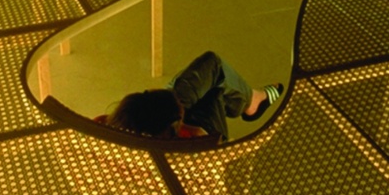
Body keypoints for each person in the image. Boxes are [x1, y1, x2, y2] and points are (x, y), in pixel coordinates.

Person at [98, 51, 284, 141]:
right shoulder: (191, 144)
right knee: (214, 81)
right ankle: (252, 101)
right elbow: (215, 145)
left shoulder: (102, 129)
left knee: (204, 80)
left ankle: (251, 100)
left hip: (155, 136)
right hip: (191, 132)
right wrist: (191, 129)